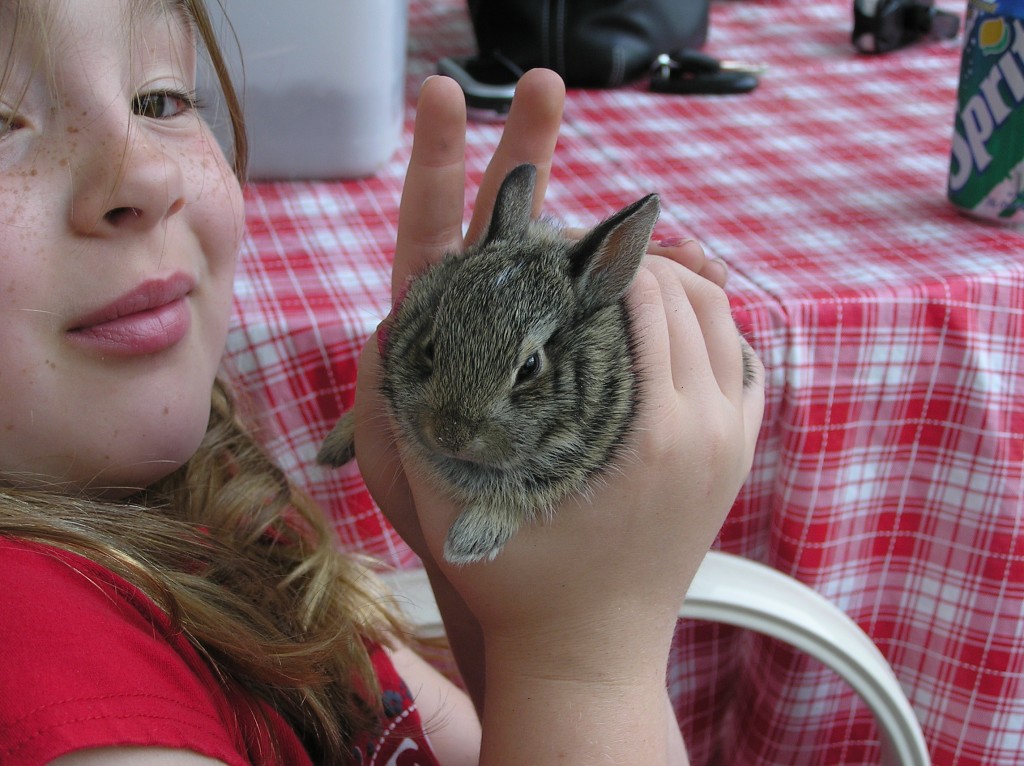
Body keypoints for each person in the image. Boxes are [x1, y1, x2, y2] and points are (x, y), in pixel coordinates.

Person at [0, 0, 765, 764]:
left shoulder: (201, 489)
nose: (145, 170)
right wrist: (591, 655)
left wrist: (517, 617)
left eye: (159, 100)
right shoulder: (72, 704)